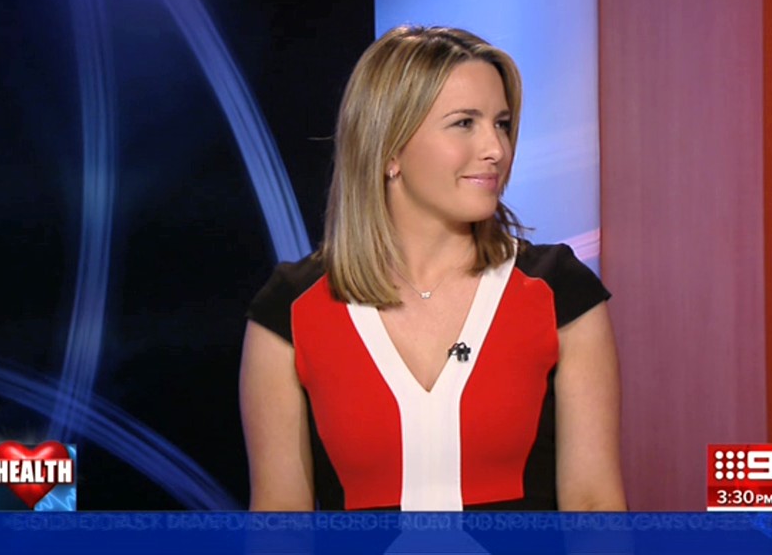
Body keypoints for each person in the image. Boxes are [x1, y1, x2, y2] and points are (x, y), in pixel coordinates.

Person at [240, 25, 626, 511]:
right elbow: (280, 525)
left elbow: (594, 506)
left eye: (501, 124)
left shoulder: (560, 292)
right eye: (465, 123)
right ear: (390, 149)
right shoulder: (289, 310)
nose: (497, 149)